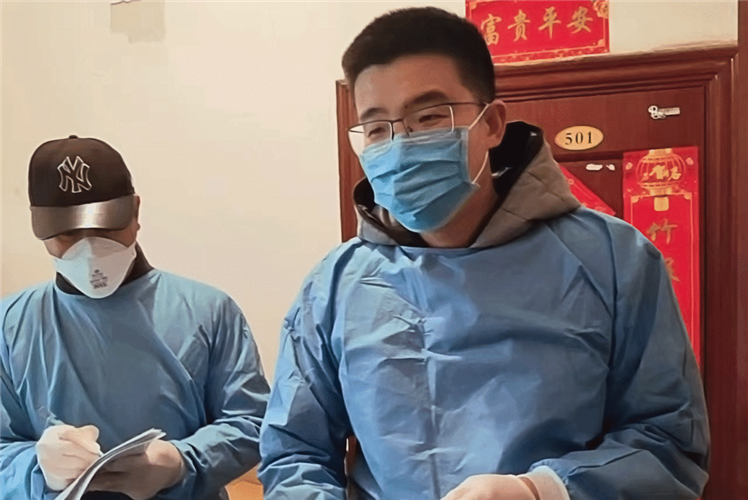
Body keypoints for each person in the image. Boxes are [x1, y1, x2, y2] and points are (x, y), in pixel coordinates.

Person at [258, 7, 709, 500]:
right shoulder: (335, 285)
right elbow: (293, 453)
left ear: (492, 123)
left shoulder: (612, 261)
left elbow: (668, 443)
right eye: (378, 130)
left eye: (429, 118)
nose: (401, 146)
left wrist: (542, 490)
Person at [0, 135, 270, 500]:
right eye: (67, 235)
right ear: (40, 229)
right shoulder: (9, 327)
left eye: (105, 228)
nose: (90, 249)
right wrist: (37, 466)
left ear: (135, 212)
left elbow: (253, 422)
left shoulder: (209, 312)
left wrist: (182, 461)